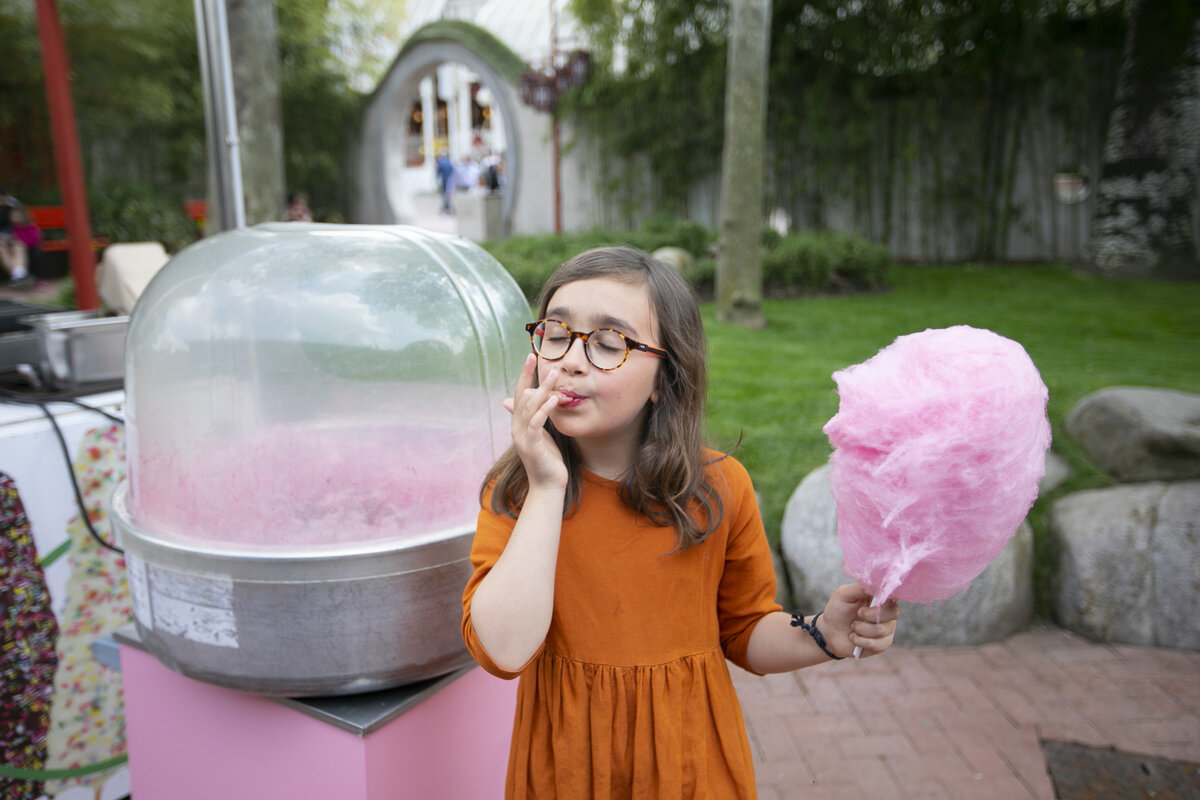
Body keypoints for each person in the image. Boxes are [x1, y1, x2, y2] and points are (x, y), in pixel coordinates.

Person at [461, 246, 901, 799]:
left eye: (607, 344)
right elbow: (502, 651)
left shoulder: (718, 490)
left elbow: (743, 631)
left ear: (664, 375)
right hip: (567, 770)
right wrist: (548, 484)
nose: (570, 360)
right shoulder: (517, 491)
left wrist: (825, 634)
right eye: (555, 333)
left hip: (689, 766)